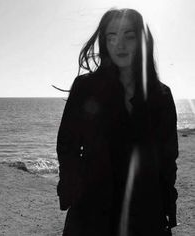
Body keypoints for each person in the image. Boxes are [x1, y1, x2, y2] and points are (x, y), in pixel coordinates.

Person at [56, 8, 178, 236]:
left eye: (128, 36)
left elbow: (167, 158)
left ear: (141, 40)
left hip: (145, 210)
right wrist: (74, 188)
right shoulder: (85, 88)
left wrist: (167, 206)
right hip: (92, 208)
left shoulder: (160, 95)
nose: (119, 45)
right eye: (111, 37)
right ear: (104, 41)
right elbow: (67, 144)